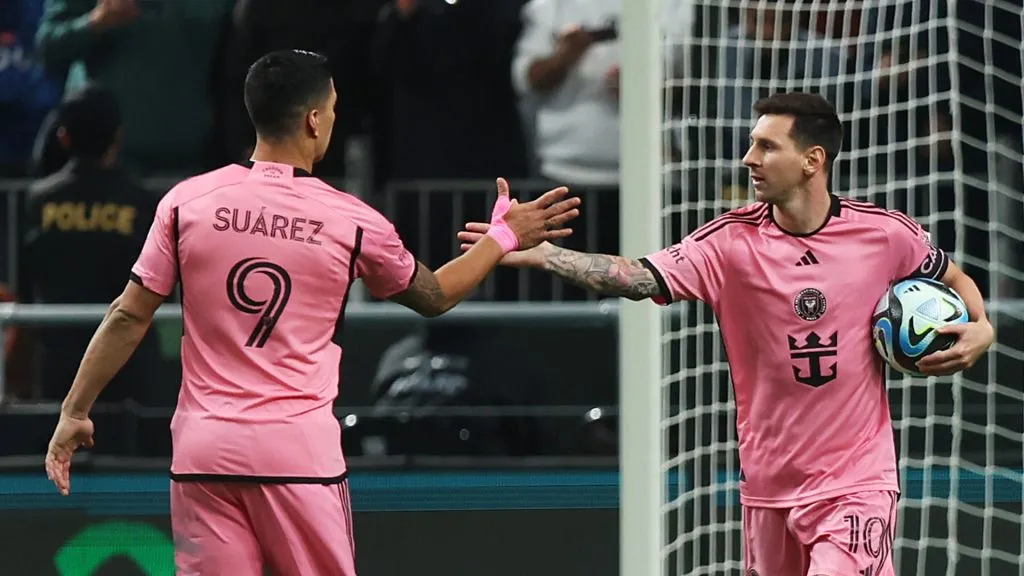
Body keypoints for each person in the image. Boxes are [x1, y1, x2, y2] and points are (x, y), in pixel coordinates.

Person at [43, 49, 580, 576]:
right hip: (297, 460)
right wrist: (503, 237)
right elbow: (434, 295)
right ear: (314, 119)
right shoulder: (351, 220)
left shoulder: (187, 202)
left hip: (204, 456)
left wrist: (73, 410)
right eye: (335, 108)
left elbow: (127, 316)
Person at [458, 92, 995, 576]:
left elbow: (953, 277)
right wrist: (546, 254)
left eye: (766, 146)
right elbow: (639, 276)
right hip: (767, 490)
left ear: (813, 160)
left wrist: (982, 329)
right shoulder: (730, 242)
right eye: (750, 144)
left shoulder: (883, 234)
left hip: (855, 485)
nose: (749, 159)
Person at [17, 83, 161, 405]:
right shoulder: (141, 201)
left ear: (63, 137)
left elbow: (24, 282)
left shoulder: (38, 201)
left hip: (57, 357)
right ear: (118, 135)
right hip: (125, 358)